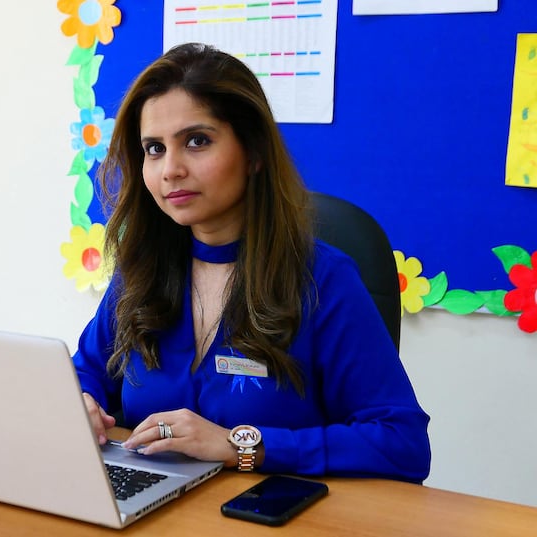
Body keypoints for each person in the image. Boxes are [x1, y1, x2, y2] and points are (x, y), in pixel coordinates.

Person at [72, 43, 431, 482]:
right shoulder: (140, 270)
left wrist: (241, 445)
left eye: (197, 141)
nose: (170, 170)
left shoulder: (325, 281)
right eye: (154, 149)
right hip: (153, 507)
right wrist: (81, 402)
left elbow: (402, 443)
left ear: (254, 153)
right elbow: (86, 371)